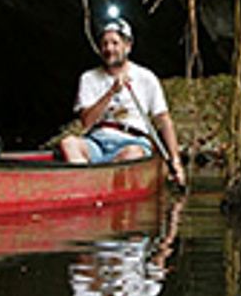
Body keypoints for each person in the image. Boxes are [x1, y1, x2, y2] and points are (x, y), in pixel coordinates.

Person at [56, 15, 186, 186]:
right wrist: (111, 92)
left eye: (115, 43)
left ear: (128, 46)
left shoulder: (146, 78)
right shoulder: (88, 78)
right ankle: (87, 185)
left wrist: (175, 160)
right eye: (104, 43)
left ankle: (97, 184)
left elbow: (163, 120)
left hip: (132, 141)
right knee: (69, 143)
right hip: (97, 142)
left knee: (132, 154)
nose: (109, 48)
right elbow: (86, 122)